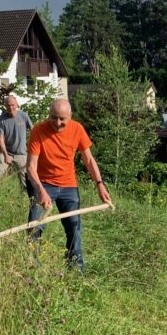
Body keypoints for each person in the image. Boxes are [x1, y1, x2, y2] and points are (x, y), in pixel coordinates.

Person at [26, 99, 112, 271]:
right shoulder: (38, 131)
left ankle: (76, 269)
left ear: (70, 117)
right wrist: (41, 191)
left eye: (62, 119)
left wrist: (100, 184)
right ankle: (31, 267)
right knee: (35, 227)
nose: (57, 123)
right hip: (43, 184)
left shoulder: (77, 129)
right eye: (54, 117)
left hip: (68, 186)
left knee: (74, 228)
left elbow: (88, 159)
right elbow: (30, 167)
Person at [0, 94, 34, 196]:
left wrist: (31, 147)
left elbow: (33, 131)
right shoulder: (1, 119)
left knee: (25, 181)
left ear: (17, 104)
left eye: (12, 105)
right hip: (6, 153)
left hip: (22, 154)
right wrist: (5, 155)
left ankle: (25, 200)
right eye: (8, 105)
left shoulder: (24, 116)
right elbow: (0, 139)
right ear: (5, 106)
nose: (10, 107)